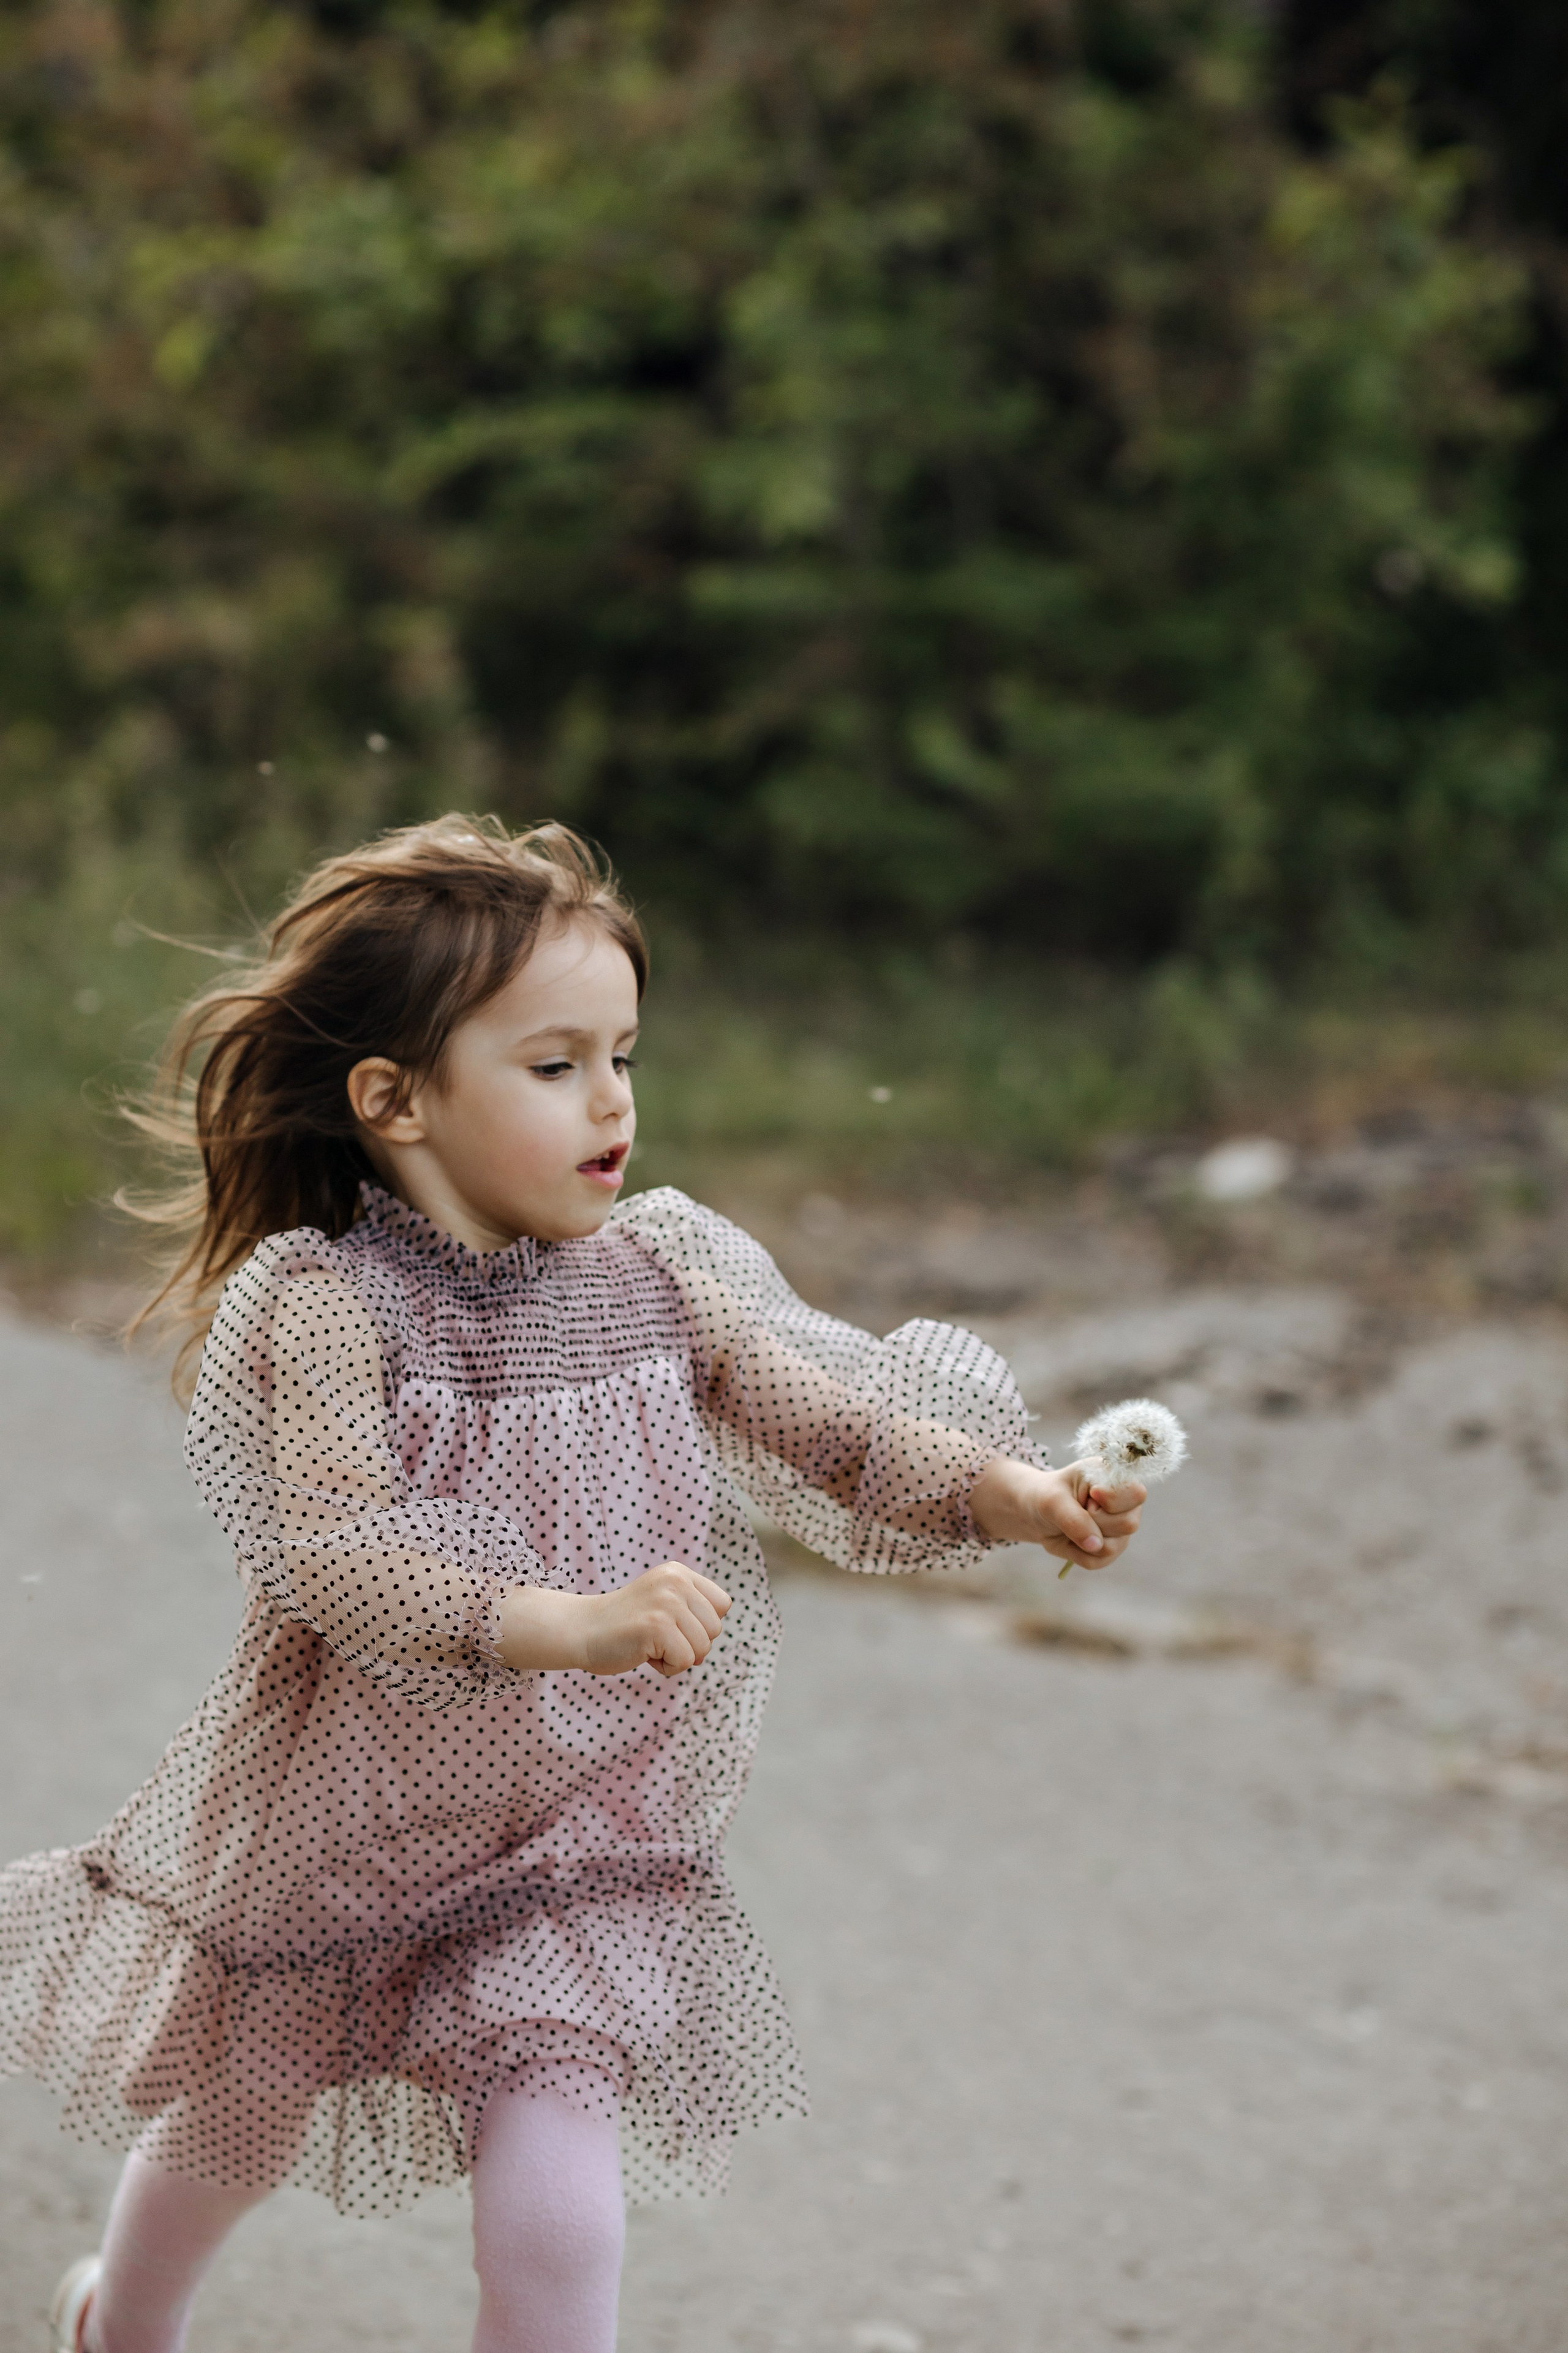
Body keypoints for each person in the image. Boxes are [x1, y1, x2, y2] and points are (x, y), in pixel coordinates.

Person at [1, 816, 1148, 2353]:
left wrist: (1000, 1491)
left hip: (578, 1830)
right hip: (353, 1817)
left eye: (623, 1055)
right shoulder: (331, 1311)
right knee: (239, 2116)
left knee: (556, 2198)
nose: (610, 1102)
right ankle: (118, 2331)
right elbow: (339, 1561)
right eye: (553, 1067)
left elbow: (827, 1416)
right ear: (393, 1101)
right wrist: (570, 1624)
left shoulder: (658, 1273)